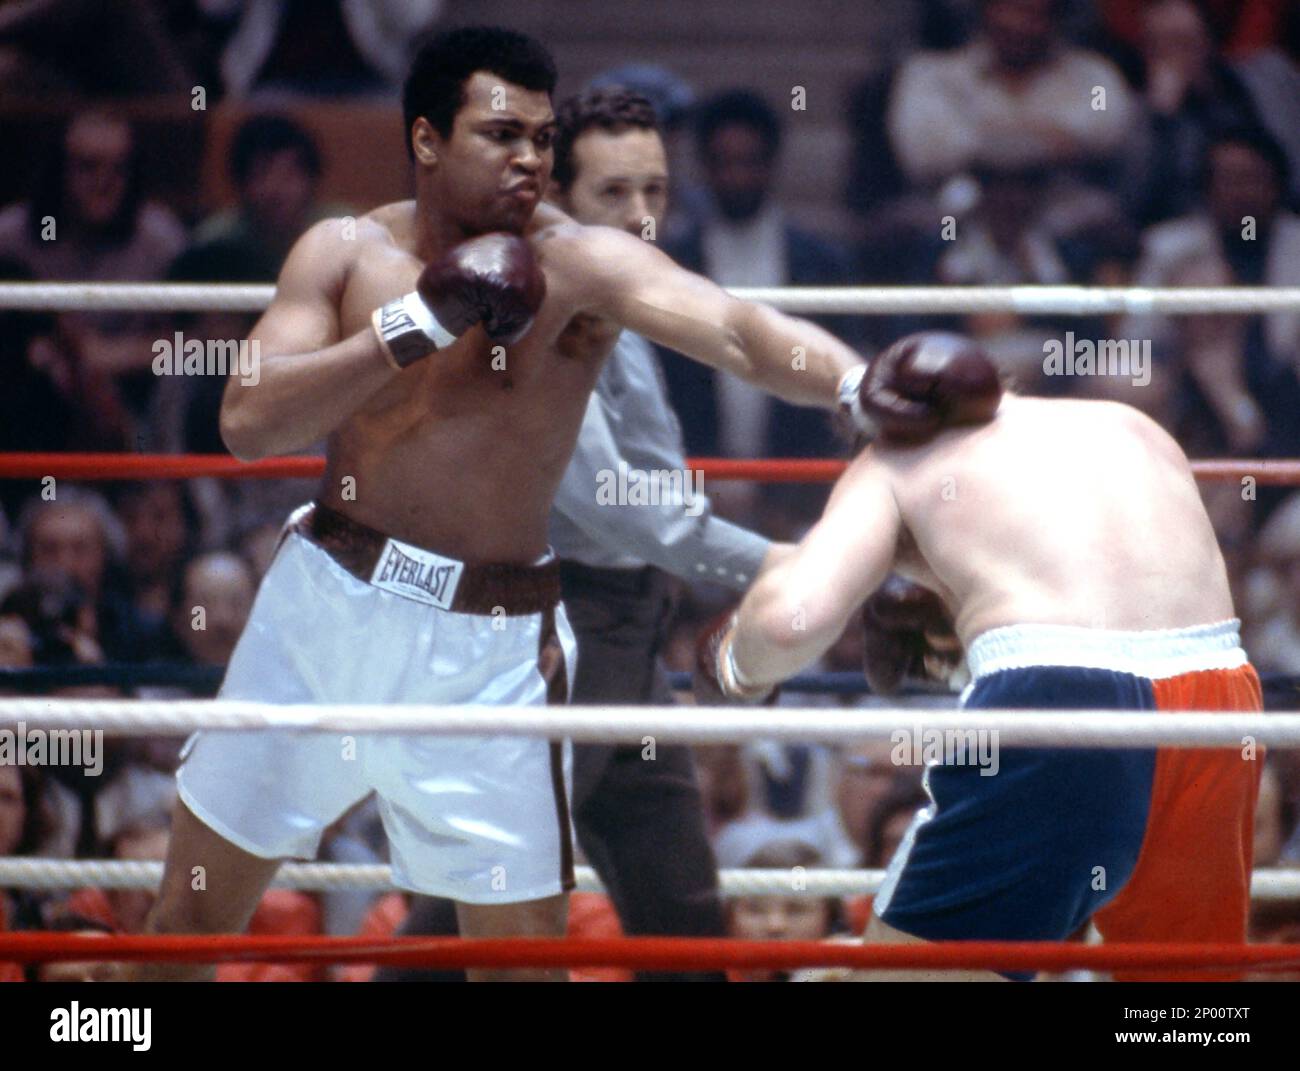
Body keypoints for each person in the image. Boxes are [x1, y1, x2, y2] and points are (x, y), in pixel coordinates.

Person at [125, 25, 906, 983]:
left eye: (541, 138)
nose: (530, 159)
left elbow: (737, 330)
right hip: (324, 611)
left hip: (488, 649)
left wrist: (859, 384)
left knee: (523, 971)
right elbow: (248, 420)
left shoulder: (576, 264)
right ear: (426, 140)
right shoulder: (343, 251)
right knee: (180, 934)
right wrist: (414, 324)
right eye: (503, 134)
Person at [696, 331, 1262, 982]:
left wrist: (733, 662)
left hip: (1062, 705)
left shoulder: (895, 461)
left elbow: (791, 620)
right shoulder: (1128, 426)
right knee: (1191, 1012)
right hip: (1222, 699)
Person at [383, 87, 775, 982]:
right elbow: (612, 499)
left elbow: (658, 484)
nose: (641, 220)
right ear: (556, 196)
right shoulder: (530, 307)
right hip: (556, 627)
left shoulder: (629, 302)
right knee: (481, 902)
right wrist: (786, 565)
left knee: (683, 921)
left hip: (629, 631)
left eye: (656, 192)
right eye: (613, 196)